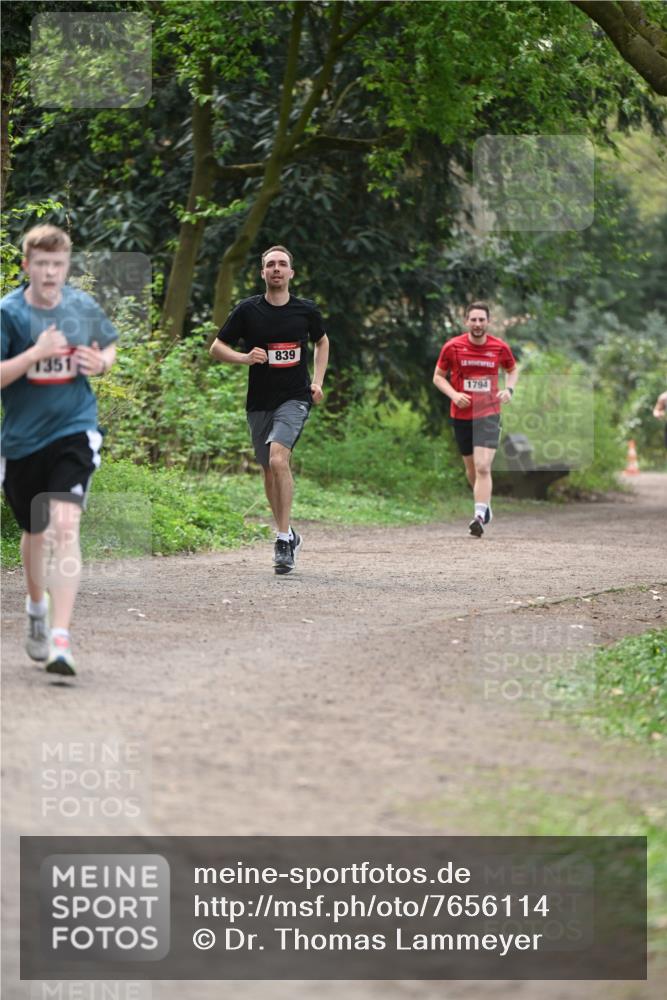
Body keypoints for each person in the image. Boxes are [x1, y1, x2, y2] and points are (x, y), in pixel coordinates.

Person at [1, 224, 118, 675]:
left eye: (58, 264)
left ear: (67, 266)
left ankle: (62, 639)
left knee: (64, 526)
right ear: (28, 265)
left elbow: (106, 346)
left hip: (75, 429)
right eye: (42, 264)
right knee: (34, 532)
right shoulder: (8, 313)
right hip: (22, 441)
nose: (50, 272)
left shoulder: (80, 305)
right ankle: (36, 611)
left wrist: (101, 363)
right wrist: (32, 355)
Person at [210, 245, 329, 574]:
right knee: (267, 469)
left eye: (282, 264)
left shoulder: (305, 311)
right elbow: (216, 347)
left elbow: (322, 341)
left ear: (291, 273)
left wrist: (317, 381)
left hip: (295, 397)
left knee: (279, 458)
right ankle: (288, 533)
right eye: (270, 265)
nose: (277, 269)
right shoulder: (248, 311)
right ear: (263, 273)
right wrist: (245, 358)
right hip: (259, 401)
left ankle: (280, 541)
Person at [433, 302, 518, 537]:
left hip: (489, 413)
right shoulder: (453, 347)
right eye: (474, 320)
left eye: (482, 320)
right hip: (461, 414)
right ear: (466, 321)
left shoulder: (499, 347)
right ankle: (485, 504)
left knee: (483, 466)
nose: (478, 324)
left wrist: (509, 391)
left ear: (488, 322)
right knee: (471, 469)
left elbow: (512, 370)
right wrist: (454, 394)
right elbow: (438, 377)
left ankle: (479, 516)